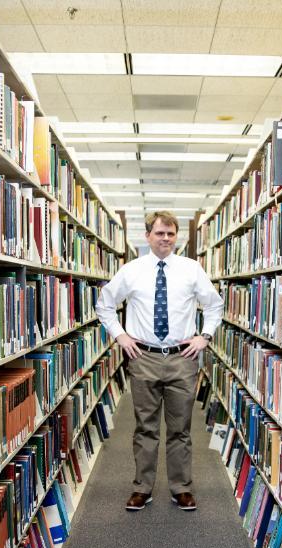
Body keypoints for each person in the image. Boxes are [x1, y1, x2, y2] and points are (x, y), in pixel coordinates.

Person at [95, 210, 223, 512]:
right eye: (159, 233)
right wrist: (120, 336)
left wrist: (204, 336)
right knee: (145, 428)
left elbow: (214, 305)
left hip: (182, 358)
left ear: (176, 236)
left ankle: (181, 488)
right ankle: (142, 488)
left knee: (180, 429)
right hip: (144, 357)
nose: (165, 238)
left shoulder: (191, 269)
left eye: (170, 233)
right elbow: (105, 304)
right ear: (148, 236)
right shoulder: (131, 270)